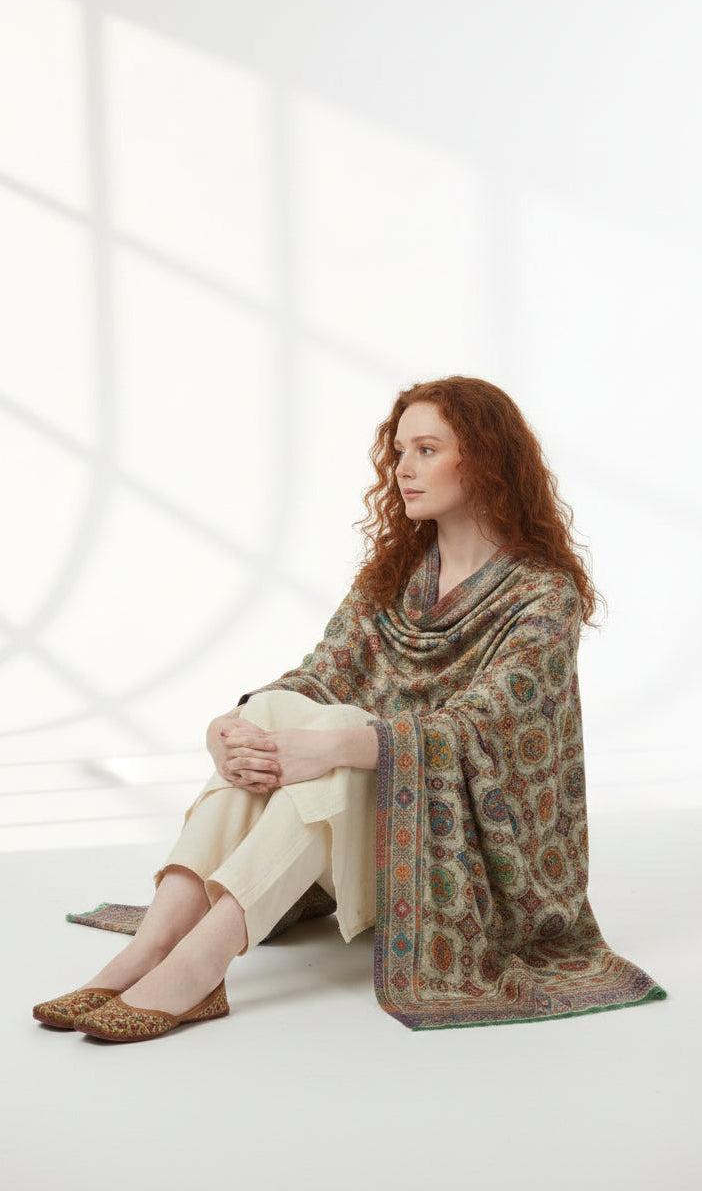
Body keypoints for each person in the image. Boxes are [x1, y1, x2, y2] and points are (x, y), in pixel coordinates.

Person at [33, 376, 666, 1041]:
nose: (403, 469)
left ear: (485, 459)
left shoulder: (544, 595)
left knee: (342, 731)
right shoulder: (392, 579)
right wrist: (228, 727)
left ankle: (200, 963)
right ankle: (154, 945)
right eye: (399, 452)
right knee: (271, 710)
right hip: (357, 849)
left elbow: (480, 725)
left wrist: (341, 745)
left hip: (459, 869)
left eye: (426, 450)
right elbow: (318, 676)